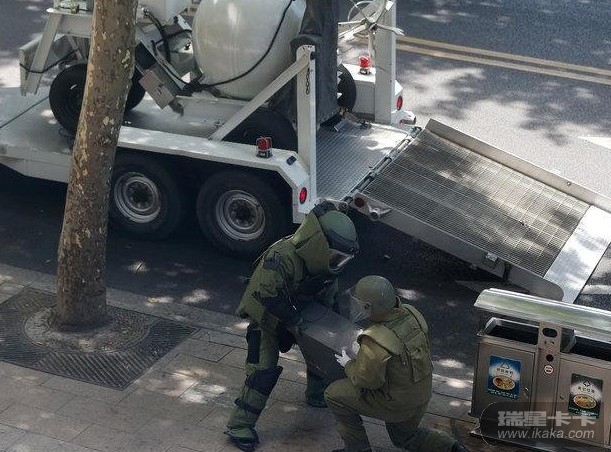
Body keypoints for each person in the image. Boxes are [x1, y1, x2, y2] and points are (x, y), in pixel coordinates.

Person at [225, 202, 360, 452]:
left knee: (324, 351)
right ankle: (239, 425)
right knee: (262, 371)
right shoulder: (281, 257)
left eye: (343, 259)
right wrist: (297, 323)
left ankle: (318, 394)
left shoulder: (326, 267)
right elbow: (269, 297)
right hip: (267, 320)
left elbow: (330, 298)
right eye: (335, 256)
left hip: (301, 314)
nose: (338, 263)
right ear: (318, 245)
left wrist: (336, 331)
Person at [324, 275, 469, 452]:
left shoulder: (375, 338)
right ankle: (453, 448)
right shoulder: (412, 313)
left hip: (396, 402)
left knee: (334, 394)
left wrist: (349, 364)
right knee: (405, 438)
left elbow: (367, 381)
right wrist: (366, 351)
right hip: (421, 393)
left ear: (368, 306)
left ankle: (357, 449)